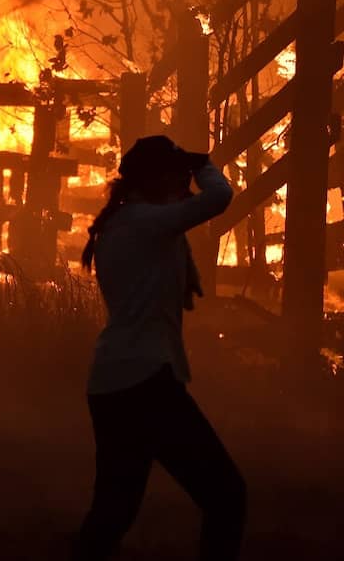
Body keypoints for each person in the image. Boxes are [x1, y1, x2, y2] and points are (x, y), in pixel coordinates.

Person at [74, 135, 246, 561]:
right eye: (174, 177)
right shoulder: (143, 223)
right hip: (146, 382)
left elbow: (172, 235)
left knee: (114, 511)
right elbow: (219, 196)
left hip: (113, 383)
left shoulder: (125, 222)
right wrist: (202, 163)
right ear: (156, 180)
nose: (180, 187)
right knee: (226, 495)